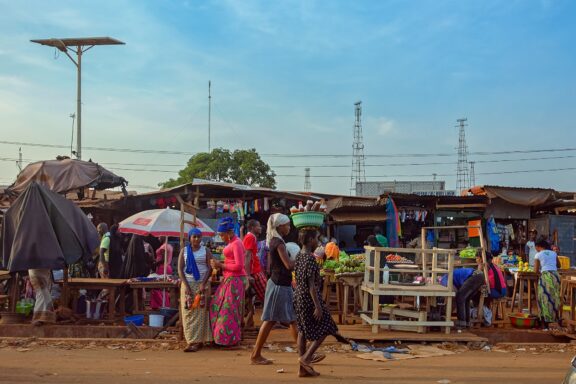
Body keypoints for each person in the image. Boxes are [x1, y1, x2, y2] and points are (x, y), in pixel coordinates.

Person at [295, 228, 348, 377]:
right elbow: (311, 286)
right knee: (327, 327)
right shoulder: (310, 258)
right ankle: (305, 358)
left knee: (302, 330)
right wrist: (318, 306)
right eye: (317, 238)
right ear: (311, 240)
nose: (318, 241)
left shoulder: (300, 254)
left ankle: (303, 369)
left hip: (298, 296)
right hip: (308, 297)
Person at [251, 213, 297, 365]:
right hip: (278, 286)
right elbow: (289, 265)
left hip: (282, 284)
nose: (289, 228)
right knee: (270, 320)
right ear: (280, 226)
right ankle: (255, 355)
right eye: (287, 225)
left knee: (293, 319)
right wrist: (302, 258)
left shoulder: (275, 241)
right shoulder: (279, 243)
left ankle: (304, 352)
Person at [210, 217, 247, 346]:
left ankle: (229, 340)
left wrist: (221, 266)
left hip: (235, 280)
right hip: (229, 279)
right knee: (217, 305)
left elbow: (239, 266)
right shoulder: (232, 242)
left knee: (229, 311)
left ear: (228, 233)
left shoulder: (236, 243)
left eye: (221, 235)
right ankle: (222, 338)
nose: (221, 238)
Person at [178, 228, 214, 352]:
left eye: (199, 237)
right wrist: (187, 286)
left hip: (201, 286)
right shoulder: (184, 251)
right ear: (190, 238)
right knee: (188, 312)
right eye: (194, 237)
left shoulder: (206, 251)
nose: (197, 239)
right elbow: (180, 269)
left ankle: (198, 342)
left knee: (200, 313)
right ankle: (190, 341)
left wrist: (203, 283)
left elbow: (210, 268)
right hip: (187, 285)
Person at [441, 263, 485, 329]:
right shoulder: (449, 276)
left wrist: (447, 310)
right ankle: (467, 322)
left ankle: (461, 323)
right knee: (466, 299)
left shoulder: (444, 279)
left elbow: (453, 292)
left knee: (460, 297)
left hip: (474, 276)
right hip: (479, 275)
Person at [534, 239, 561, 328]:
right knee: (555, 298)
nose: (536, 249)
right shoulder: (554, 253)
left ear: (538, 246)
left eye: (536, 247)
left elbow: (535, 270)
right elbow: (558, 265)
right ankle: (556, 319)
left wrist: (541, 272)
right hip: (555, 276)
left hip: (546, 276)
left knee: (543, 298)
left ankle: (545, 322)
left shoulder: (538, 254)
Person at [243, 219, 267, 304]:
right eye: (258, 226)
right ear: (252, 228)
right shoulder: (251, 237)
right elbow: (247, 255)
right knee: (267, 296)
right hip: (255, 272)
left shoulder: (250, 237)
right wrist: (248, 275)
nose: (260, 228)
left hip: (256, 270)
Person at [150, 237, 173, 310]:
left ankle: (160, 306)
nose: (158, 237)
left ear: (164, 236)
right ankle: (164, 305)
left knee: (157, 287)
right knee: (163, 288)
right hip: (167, 267)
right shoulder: (169, 246)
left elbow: (163, 259)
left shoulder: (164, 247)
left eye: (160, 236)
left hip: (162, 268)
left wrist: (154, 263)